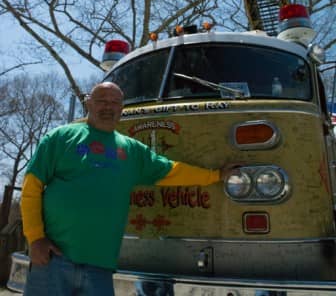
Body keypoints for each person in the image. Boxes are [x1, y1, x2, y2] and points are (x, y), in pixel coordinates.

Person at [21, 82, 241, 296]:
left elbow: (171, 171)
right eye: (101, 101)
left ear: (121, 108)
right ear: (89, 104)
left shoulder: (132, 150)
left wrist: (215, 175)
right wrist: (35, 238)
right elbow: (31, 188)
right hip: (52, 260)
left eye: (114, 102)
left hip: (100, 267)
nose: (108, 106)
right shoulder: (60, 137)